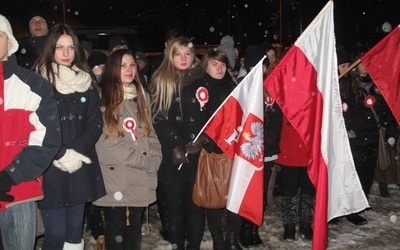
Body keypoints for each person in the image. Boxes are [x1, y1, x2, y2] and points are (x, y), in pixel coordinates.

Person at [34, 23, 106, 250]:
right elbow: (36, 125)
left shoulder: (85, 82)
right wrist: (61, 152)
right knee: (55, 235)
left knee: (74, 234)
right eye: (59, 47)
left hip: (79, 164)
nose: (66, 53)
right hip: (51, 166)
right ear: (50, 49)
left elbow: (95, 122)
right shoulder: (37, 82)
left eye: (70, 47)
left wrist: (75, 151)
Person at [0, 14, 61, 250]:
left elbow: (48, 139)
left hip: (19, 190)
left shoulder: (34, 86)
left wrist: (10, 176)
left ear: (10, 42)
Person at [94, 49, 162, 250]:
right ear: (113, 68)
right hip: (117, 177)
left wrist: (155, 158)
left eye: (132, 64)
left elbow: (151, 133)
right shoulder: (103, 98)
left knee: (134, 226)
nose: (129, 69)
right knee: (116, 226)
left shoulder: (141, 97)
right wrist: (143, 161)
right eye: (123, 65)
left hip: (141, 173)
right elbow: (108, 140)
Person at [182, 49, 241, 250]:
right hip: (210, 150)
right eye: (215, 64)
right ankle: (218, 239)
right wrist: (206, 138)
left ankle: (232, 238)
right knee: (213, 194)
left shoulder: (233, 88)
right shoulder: (199, 88)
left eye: (223, 64)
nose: (220, 68)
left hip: (233, 148)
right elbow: (197, 120)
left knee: (234, 196)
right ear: (206, 66)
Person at [149, 37, 205, 250]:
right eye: (178, 54)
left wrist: (203, 138)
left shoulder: (203, 79)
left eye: (187, 54)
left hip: (197, 151)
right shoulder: (161, 79)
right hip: (171, 152)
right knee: (174, 208)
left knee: (195, 207)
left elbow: (213, 115)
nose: (183, 58)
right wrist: (175, 143)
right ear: (170, 56)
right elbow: (156, 116)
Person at [275, 114, 315, 241]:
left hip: (309, 145)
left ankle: (306, 223)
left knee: (308, 188)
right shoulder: (287, 96)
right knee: (288, 189)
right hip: (290, 144)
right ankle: (289, 225)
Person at [85, 49, 109, 243]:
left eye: (103, 66)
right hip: (93, 145)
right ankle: (96, 226)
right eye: (97, 67)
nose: (100, 70)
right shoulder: (87, 88)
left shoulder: (111, 88)